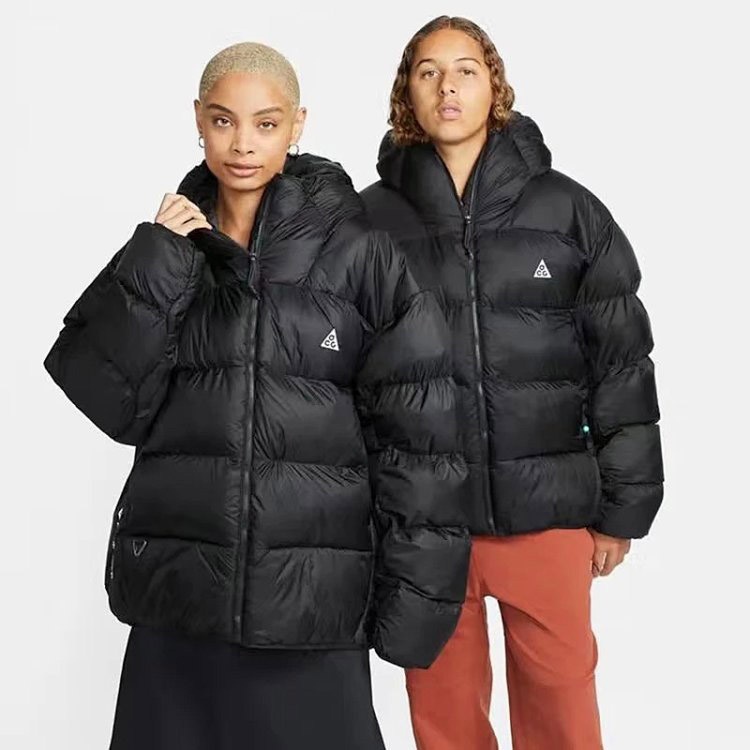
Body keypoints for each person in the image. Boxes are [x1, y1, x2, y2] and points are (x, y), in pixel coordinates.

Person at [43, 41, 470, 750]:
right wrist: (159, 257)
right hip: (179, 607)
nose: (243, 144)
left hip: (310, 612)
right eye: (223, 121)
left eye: (266, 124)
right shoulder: (168, 248)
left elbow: (420, 439)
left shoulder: (360, 255)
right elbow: (108, 401)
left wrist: (417, 602)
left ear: (297, 125)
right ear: (198, 120)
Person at [361, 16, 665, 750]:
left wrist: (623, 509)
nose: (447, 87)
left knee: (563, 714)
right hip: (425, 521)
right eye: (428, 72)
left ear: (494, 85)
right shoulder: (369, 222)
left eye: (465, 70)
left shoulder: (567, 211)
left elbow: (621, 363)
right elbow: (345, 371)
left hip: (549, 514)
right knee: (444, 720)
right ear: (407, 93)